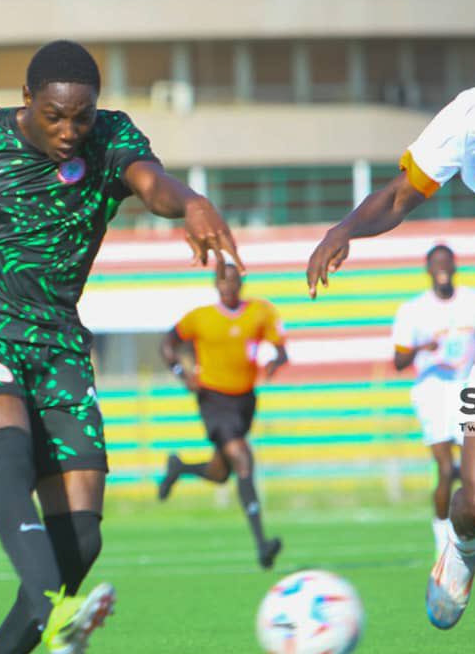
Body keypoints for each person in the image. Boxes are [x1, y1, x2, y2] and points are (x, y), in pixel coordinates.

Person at [0, 40, 244, 654]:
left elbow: (148, 181)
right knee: (9, 447)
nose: (69, 130)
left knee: (82, 537)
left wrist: (189, 202)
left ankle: (42, 614)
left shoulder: (110, 140)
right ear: (27, 98)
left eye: (81, 117)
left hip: (56, 333)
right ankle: (46, 601)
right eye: (55, 116)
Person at [306, 87, 475, 630]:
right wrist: (346, 228)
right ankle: (462, 548)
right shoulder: (469, 113)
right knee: (471, 497)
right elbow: (404, 194)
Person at [157, 261, 287, 569]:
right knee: (243, 459)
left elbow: (280, 349)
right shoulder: (200, 318)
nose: (228, 287)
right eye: (222, 281)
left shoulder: (261, 313)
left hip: (244, 400)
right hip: (213, 398)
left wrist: (274, 362)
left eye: (233, 281)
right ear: (216, 284)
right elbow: (168, 343)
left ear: (241, 283)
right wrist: (180, 371)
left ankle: (180, 468)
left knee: (221, 472)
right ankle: (262, 544)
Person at [392, 244, 475, 556]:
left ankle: (465, 523)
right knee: (444, 467)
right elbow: (399, 361)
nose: (441, 268)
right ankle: (444, 542)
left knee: (470, 471)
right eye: (435, 263)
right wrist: (422, 347)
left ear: (454, 267)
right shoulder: (414, 311)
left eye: (446, 262)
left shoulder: (470, 300)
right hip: (433, 393)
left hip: (468, 389)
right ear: (427, 270)